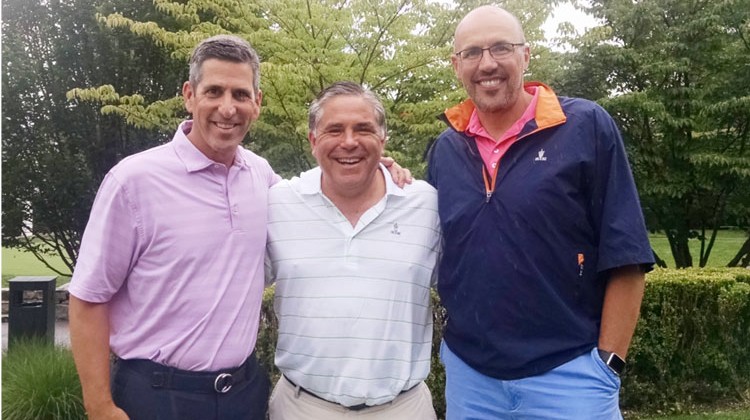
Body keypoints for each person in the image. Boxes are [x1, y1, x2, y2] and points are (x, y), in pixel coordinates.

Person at [68, 35, 410, 420]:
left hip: (242, 395)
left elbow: (323, 195)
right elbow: (88, 298)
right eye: (214, 91)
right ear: (189, 95)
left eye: (240, 94)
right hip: (158, 397)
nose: (227, 108)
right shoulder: (134, 181)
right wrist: (99, 406)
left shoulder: (262, 178)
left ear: (257, 103)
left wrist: (376, 166)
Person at [425, 6, 655, 419]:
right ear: (456, 65)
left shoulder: (584, 125)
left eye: (501, 48)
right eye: (473, 52)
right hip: (470, 380)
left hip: (571, 378)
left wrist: (609, 364)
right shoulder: (446, 148)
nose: (488, 63)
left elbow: (627, 254)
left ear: (526, 56)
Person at [265, 81, 441, 419]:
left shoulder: (425, 203)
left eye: (363, 129)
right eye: (334, 129)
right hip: (302, 408)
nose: (349, 142)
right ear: (313, 140)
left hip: (403, 409)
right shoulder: (278, 202)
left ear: (382, 139)